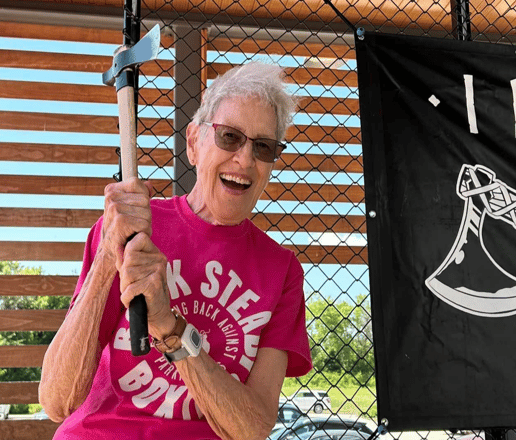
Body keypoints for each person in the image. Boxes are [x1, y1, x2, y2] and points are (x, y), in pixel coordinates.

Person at [39, 61, 313, 440]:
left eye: (264, 147)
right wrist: (107, 258)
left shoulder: (280, 271)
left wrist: (170, 328)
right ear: (194, 142)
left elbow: (253, 427)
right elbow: (57, 400)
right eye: (230, 137)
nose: (246, 159)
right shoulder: (129, 229)